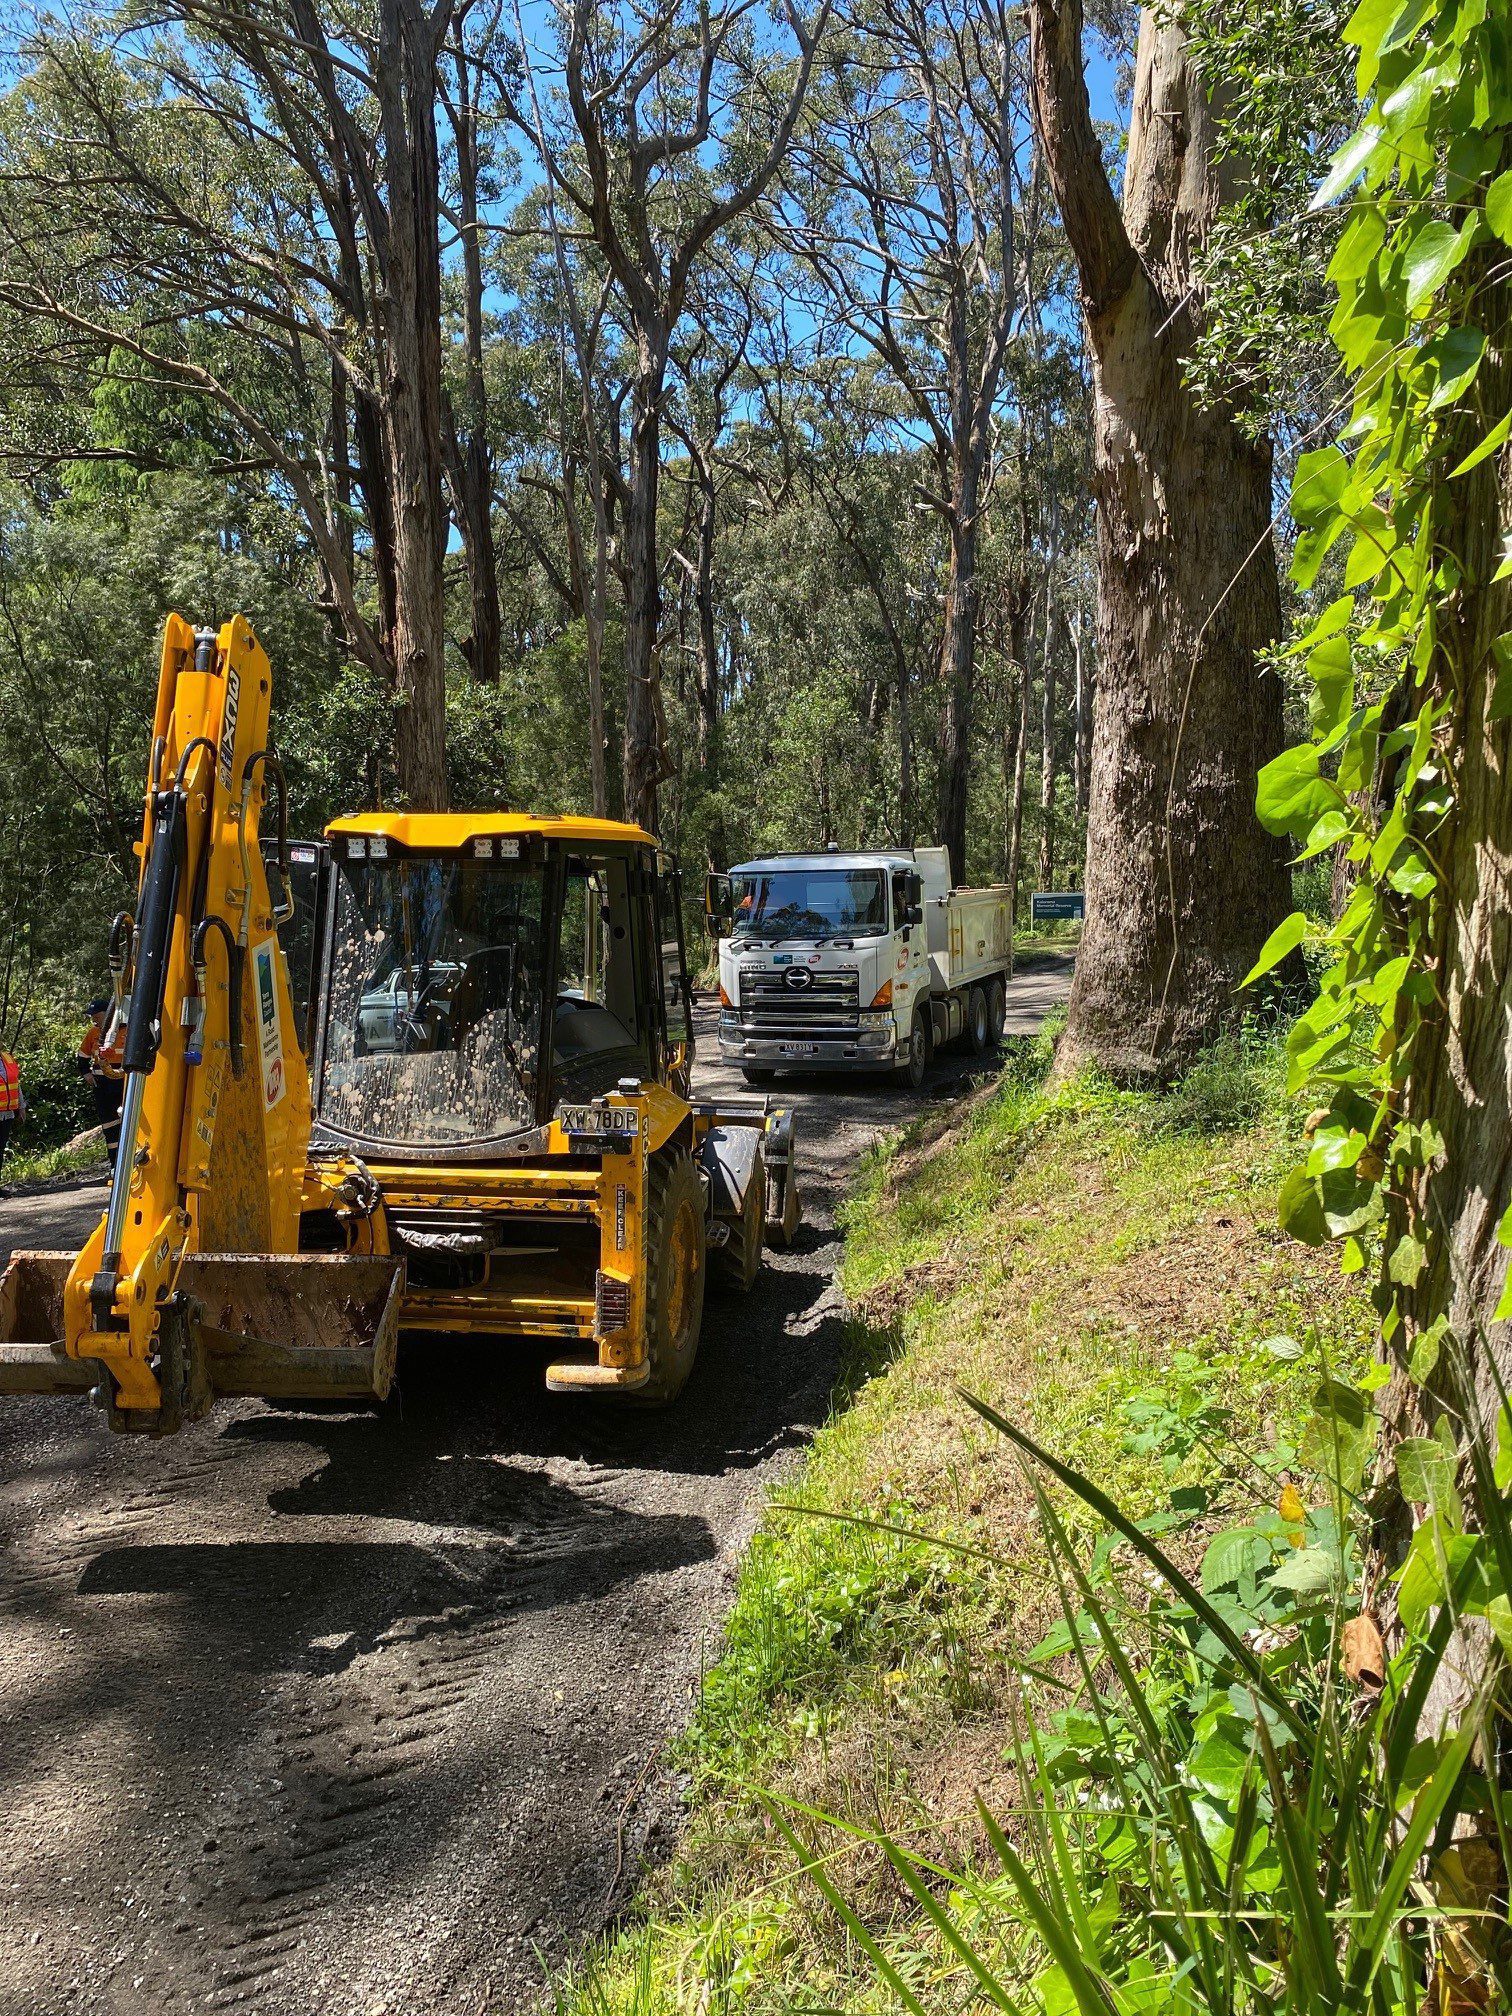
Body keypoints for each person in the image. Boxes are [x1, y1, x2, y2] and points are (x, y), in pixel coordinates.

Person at [78, 998, 124, 1169]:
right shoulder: (92, 1034)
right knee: (109, 1126)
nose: (94, 1019)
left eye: (96, 1015)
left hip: (123, 1084)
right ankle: (115, 1165)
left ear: (108, 1013)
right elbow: (82, 1058)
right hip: (102, 1086)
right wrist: (86, 1074)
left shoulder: (127, 1030)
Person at [0, 1045, 21, 1174]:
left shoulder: (8, 1058)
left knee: (0, 1149)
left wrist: (21, 1106)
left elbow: (16, 1083)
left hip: (7, 1113)